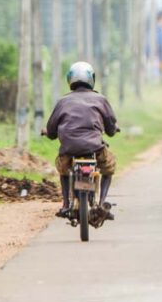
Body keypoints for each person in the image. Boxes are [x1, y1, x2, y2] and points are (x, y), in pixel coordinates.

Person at [44, 61, 119, 220]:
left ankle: (65, 205)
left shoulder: (62, 102)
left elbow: (51, 131)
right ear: (91, 78)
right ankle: (102, 204)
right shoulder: (101, 99)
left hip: (69, 151)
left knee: (64, 171)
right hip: (95, 149)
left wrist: (48, 133)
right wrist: (112, 129)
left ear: (70, 79)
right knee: (109, 167)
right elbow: (111, 129)